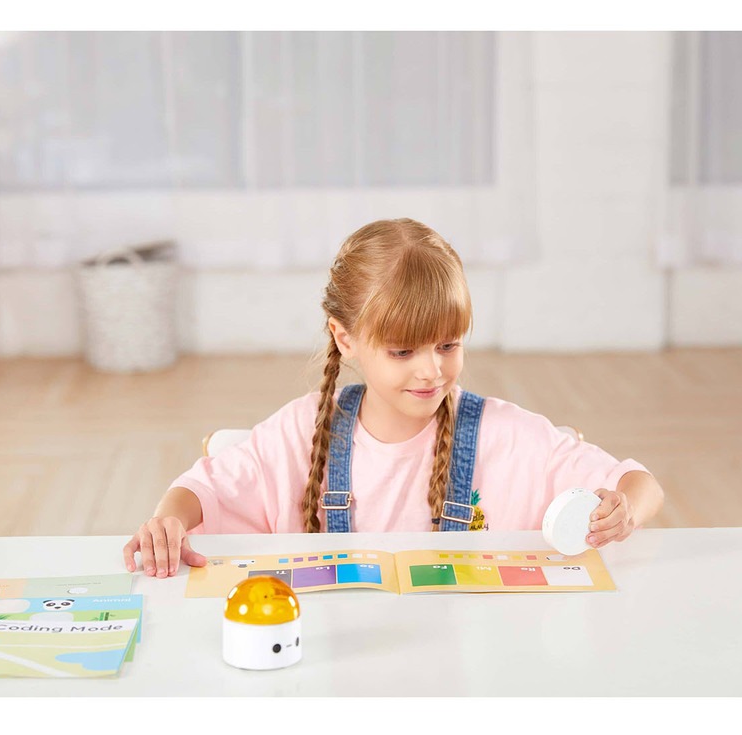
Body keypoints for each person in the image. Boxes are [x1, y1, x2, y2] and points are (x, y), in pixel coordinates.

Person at [123, 218, 665, 578]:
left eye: (448, 345)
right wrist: (168, 522)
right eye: (403, 351)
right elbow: (203, 489)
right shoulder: (303, 431)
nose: (432, 370)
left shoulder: (503, 435)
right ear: (345, 338)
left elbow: (639, 484)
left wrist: (623, 510)